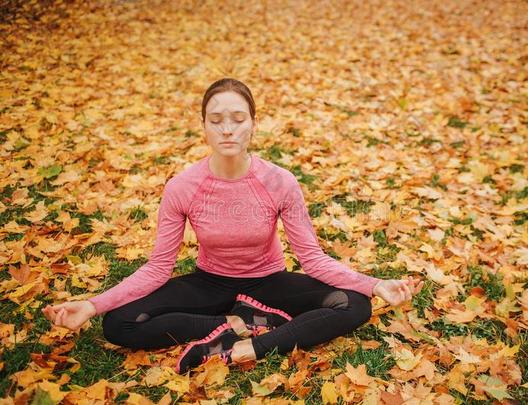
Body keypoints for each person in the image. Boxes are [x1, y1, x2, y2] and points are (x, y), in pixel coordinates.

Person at [43, 78, 424, 374]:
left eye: (238, 119)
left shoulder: (280, 182)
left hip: (270, 281)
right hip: (210, 284)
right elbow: (158, 267)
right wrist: (92, 306)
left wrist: (375, 286)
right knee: (119, 324)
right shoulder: (182, 187)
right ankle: (233, 323)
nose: (228, 129)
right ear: (204, 127)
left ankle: (256, 342)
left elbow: (312, 259)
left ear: (253, 125)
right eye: (217, 120)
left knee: (353, 305)